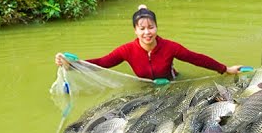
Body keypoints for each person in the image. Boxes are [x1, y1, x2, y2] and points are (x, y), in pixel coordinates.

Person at [54, 5, 245, 81]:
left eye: (151, 27)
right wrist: (73, 64)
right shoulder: (126, 50)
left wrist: (225, 69)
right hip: (145, 85)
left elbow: (196, 58)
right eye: (142, 28)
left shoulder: (170, 47)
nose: (147, 33)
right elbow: (103, 63)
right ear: (135, 31)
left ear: (156, 27)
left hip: (171, 83)